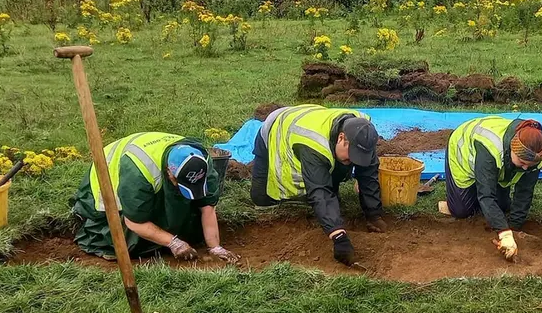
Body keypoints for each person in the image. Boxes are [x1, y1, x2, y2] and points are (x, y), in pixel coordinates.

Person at [71, 132, 238, 263]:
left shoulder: (201, 161)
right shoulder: (139, 172)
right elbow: (134, 221)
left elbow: (207, 207)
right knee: (129, 241)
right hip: (107, 183)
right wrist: (173, 242)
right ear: (170, 174)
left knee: (188, 224)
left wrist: (215, 247)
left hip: (149, 175)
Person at [250, 105, 385, 266]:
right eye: (352, 155)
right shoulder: (313, 142)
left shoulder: (364, 131)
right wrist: (338, 236)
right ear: (341, 138)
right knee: (261, 198)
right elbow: (320, 191)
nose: (354, 161)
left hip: (310, 118)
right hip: (276, 128)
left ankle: (327, 206)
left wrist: (373, 214)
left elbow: (368, 174)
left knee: (335, 177)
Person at [438, 116, 542, 261]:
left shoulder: (538, 151)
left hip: (500, 164)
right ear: (511, 149)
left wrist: (514, 227)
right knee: (461, 210)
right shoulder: (490, 147)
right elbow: (486, 195)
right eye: (522, 162)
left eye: (529, 164)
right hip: (464, 154)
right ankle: (458, 199)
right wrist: (505, 234)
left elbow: (525, 191)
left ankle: (487, 197)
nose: (526, 167)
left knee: (502, 206)